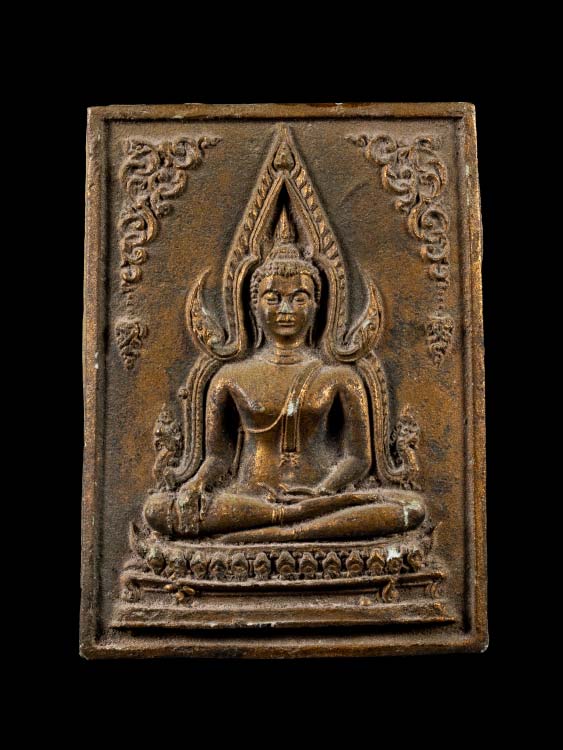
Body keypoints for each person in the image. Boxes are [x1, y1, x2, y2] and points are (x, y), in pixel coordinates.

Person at [145, 209, 425, 542]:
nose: (286, 310)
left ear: (318, 305)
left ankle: (276, 528)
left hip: (321, 499)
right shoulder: (230, 376)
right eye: (273, 298)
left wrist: (322, 492)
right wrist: (196, 484)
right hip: (248, 499)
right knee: (157, 510)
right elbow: (218, 457)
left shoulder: (340, 377)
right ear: (253, 305)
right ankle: (287, 521)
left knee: (410, 508)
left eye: (299, 298)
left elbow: (358, 458)